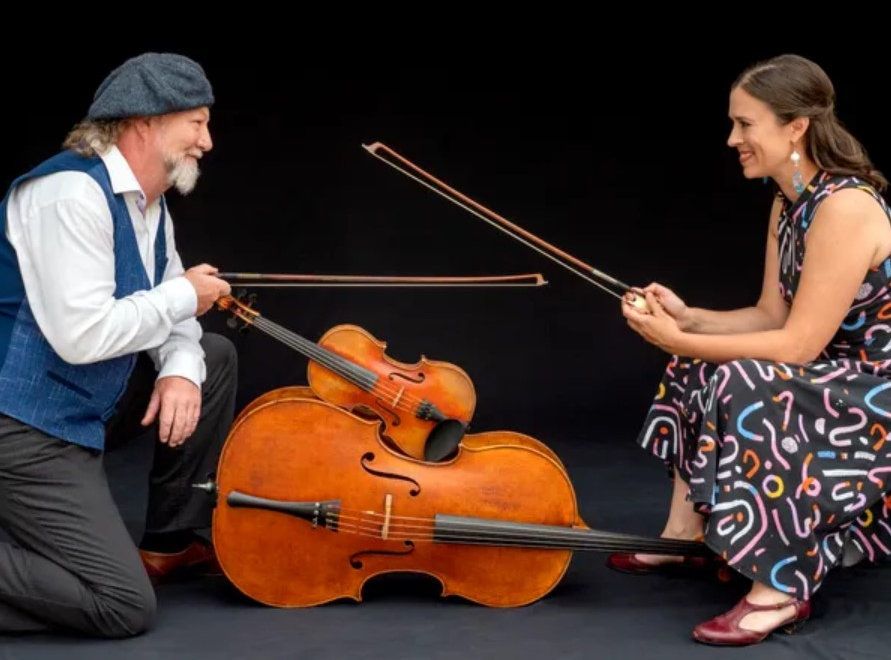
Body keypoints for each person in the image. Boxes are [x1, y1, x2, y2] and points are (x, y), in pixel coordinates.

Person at [615, 53, 891, 646]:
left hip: (873, 392)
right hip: (828, 372)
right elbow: (770, 315)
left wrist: (679, 336)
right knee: (697, 358)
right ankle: (684, 538)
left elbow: (798, 345)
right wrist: (689, 321)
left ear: (795, 127)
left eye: (746, 124)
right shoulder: (789, 201)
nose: (732, 138)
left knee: (743, 377)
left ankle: (781, 589)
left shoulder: (846, 206)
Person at [0, 52, 236, 637]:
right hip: (23, 425)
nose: (207, 142)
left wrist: (180, 368)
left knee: (211, 356)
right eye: (197, 123)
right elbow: (83, 336)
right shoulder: (69, 195)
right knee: (121, 607)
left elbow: (177, 317)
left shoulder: (150, 206)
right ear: (144, 123)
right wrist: (183, 296)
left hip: (80, 406)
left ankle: (169, 542)